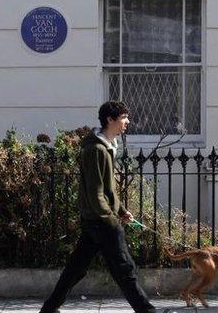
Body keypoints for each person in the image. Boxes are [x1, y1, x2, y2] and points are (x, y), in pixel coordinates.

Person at [40, 101, 156, 313]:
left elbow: (108, 188)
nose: (127, 122)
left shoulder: (106, 146)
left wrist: (121, 211)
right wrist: (112, 220)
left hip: (95, 220)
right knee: (125, 269)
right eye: (123, 118)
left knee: (76, 269)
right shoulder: (96, 150)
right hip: (101, 222)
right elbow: (96, 192)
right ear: (110, 120)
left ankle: (49, 309)